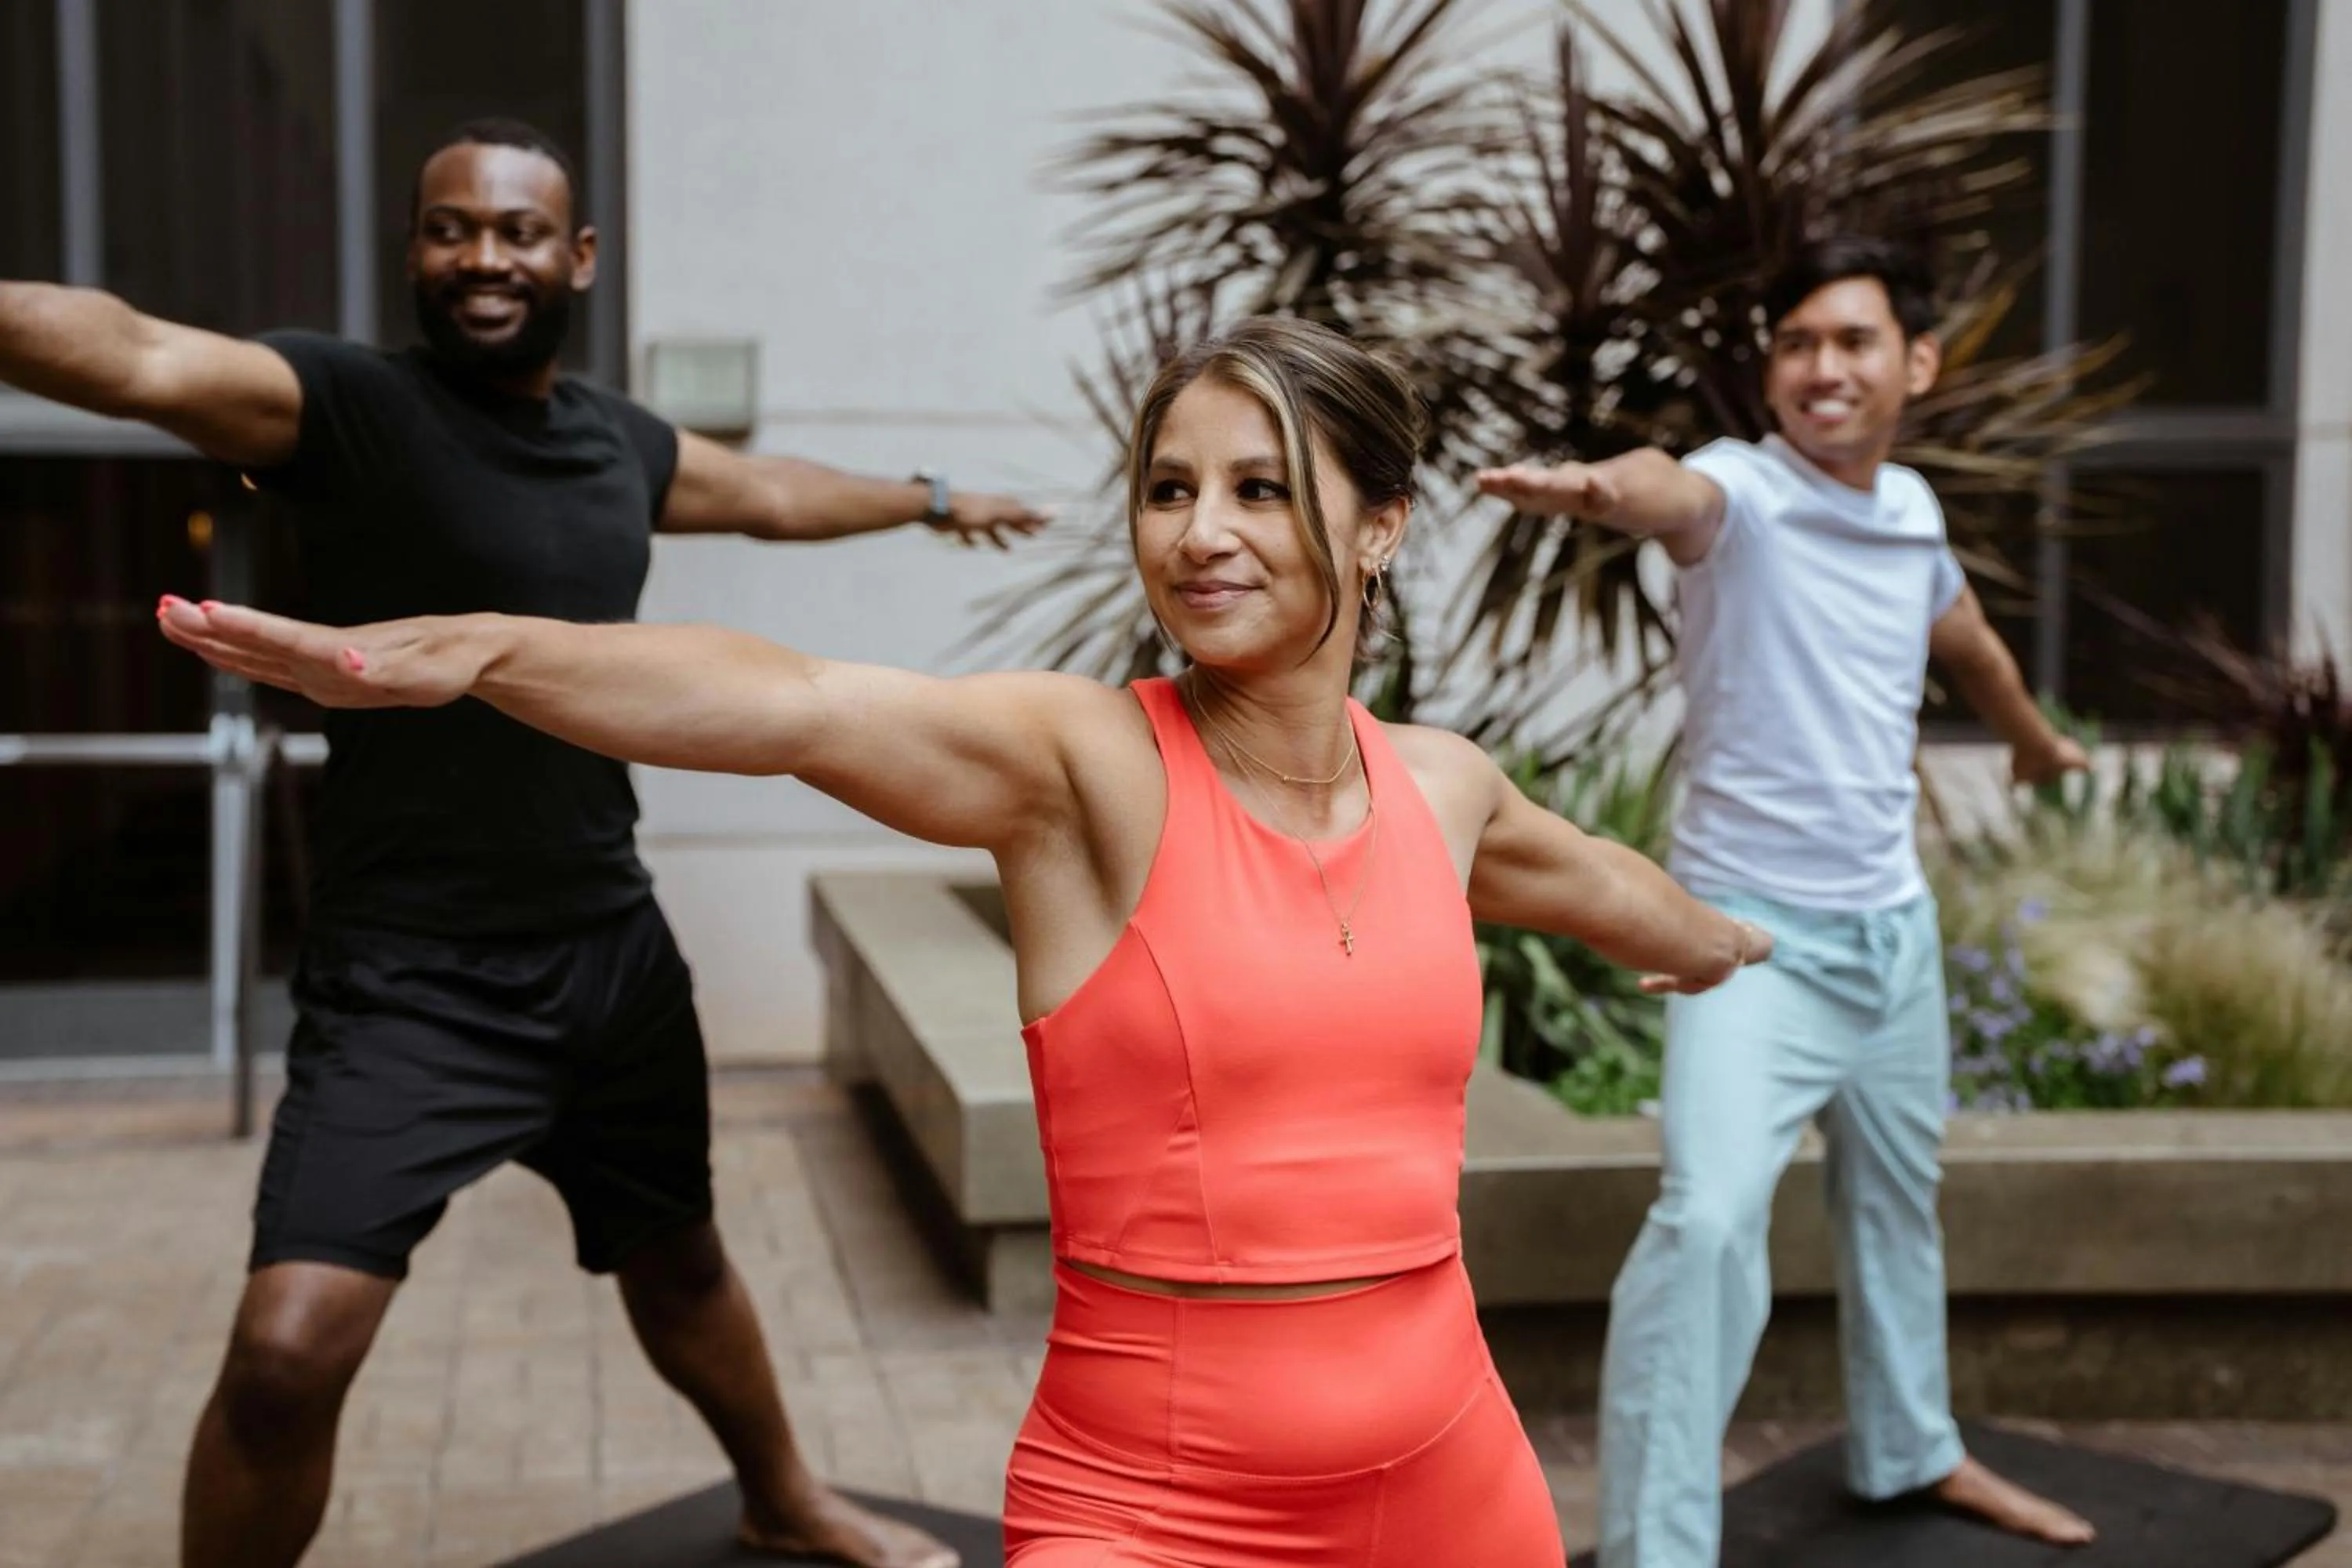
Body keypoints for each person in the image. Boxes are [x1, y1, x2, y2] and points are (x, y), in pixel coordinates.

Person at [156, 314, 1776, 1567]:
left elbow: (1599, 882)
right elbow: (789, 703)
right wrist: (474, 651)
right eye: (1168, 488)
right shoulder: (1084, 768)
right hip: (1151, 1503)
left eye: (1260, 486)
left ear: (1381, 529)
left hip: (1453, 1482)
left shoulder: (1443, 787)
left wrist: (1713, 943)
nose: (1200, 531)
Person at [0, 118, 1048, 1568]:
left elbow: (771, 496)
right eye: (450, 229)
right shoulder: (343, 403)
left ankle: (782, 1495)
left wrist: (934, 500)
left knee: (682, 1262)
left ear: (580, 257)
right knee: (287, 1354)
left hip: (607, 952)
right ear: (416, 248)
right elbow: (129, 354)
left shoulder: (619, 441)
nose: (483, 256)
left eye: (515, 230)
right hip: (407, 984)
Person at [1475, 234, 2099, 1566]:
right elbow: (1668, 495)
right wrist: (1598, 488)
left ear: (1916, 364)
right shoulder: (1742, 494)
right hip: (1751, 944)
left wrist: (2034, 740)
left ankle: (1911, 1449)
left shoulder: (1913, 511)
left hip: (1896, 935)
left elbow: (1968, 637)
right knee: (1704, 1223)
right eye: (1797, 343)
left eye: (1852, 341)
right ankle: (1655, 1547)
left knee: (1895, 1206)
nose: (1820, 367)